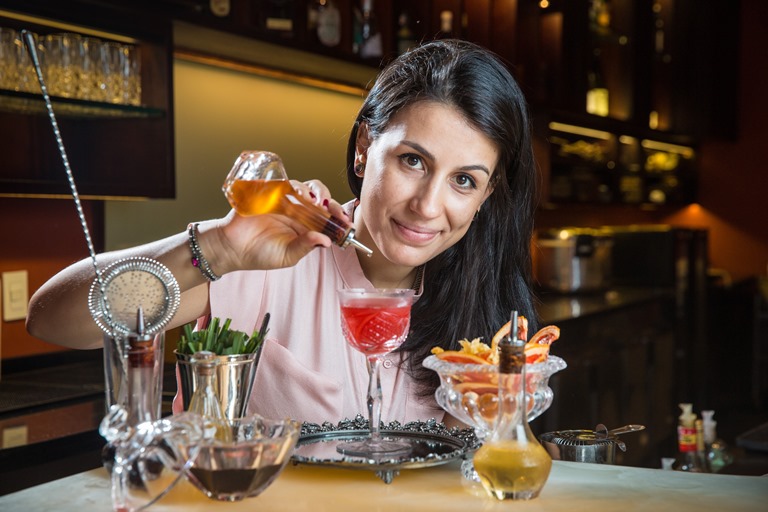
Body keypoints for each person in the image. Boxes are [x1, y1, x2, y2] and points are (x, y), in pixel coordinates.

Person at [26, 39, 539, 426]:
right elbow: (53, 319)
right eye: (412, 160)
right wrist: (221, 246)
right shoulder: (265, 264)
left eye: (464, 180)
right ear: (364, 147)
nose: (428, 205)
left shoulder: (484, 321)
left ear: (487, 194)